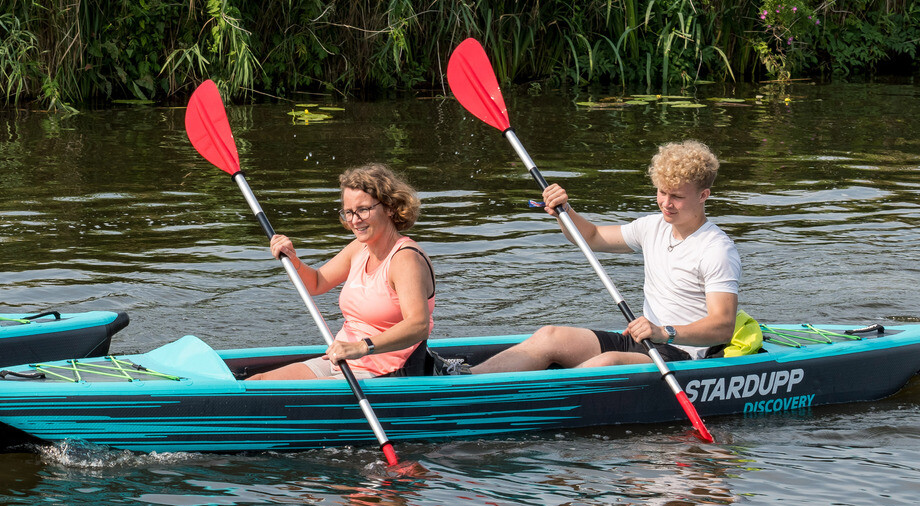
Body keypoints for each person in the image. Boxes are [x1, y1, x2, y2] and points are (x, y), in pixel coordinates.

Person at [472, 140, 739, 373]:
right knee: (550, 335)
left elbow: (723, 326)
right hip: (641, 341)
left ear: (704, 195)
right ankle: (464, 379)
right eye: (662, 192)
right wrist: (565, 211)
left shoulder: (716, 249)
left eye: (677, 197)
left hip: (683, 354)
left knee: (607, 362)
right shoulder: (651, 227)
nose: (666, 204)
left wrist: (664, 332)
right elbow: (592, 237)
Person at [253, 163, 435, 381]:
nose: (355, 220)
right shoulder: (360, 248)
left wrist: (361, 347)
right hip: (342, 360)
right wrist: (293, 259)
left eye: (363, 210)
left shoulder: (405, 259)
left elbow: (418, 326)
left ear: (390, 207)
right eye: (349, 212)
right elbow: (317, 283)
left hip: (383, 370)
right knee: (258, 381)